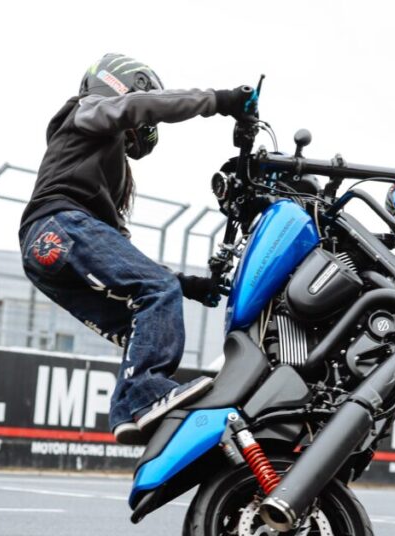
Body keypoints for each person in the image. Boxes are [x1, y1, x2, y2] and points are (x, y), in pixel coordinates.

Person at [19, 53, 252, 445]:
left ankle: (129, 411)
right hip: (60, 224)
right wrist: (220, 100)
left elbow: (121, 257)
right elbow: (135, 106)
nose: (143, 124)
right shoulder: (86, 110)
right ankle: (144, 395)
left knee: (140, 319)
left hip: (46, 252)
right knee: (157, 290)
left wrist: (188, 285)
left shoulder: (107, 169)